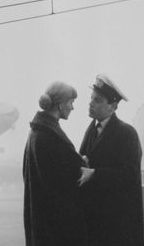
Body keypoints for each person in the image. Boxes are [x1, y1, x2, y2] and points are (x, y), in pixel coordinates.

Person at [78, 74, 144, 246]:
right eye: (91, 98)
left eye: (98, 100)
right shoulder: (91, 130)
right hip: (95, 220)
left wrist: (95, 174)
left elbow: (131, 176)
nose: (91, 103)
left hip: (117, 224)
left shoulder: (127, 134)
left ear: (113, 106)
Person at [23, 81, 88, 246]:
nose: (72, 107)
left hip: (41, 224)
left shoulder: (35, 133)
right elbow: (67, 178)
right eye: (71, 102)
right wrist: (83, 163)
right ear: (60, 105)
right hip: (55, 228)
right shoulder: (50, 136)